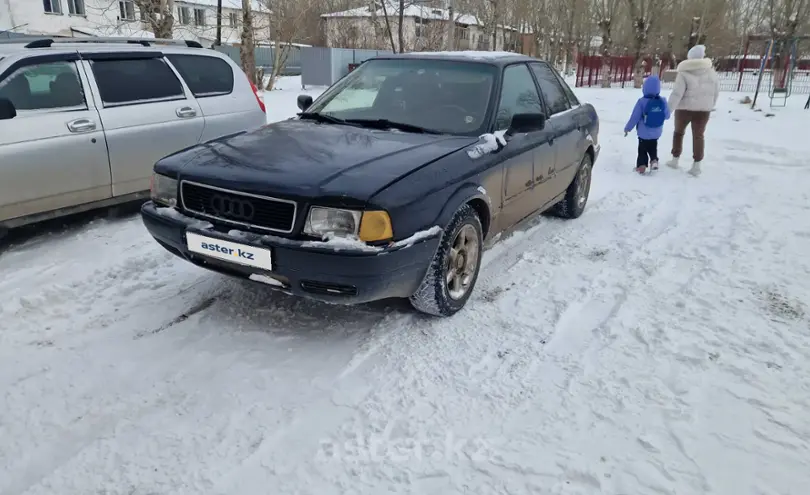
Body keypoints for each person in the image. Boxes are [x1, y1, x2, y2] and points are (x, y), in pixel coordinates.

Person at [664, 44, 720, 177]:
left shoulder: (684, 73)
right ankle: (696, 165)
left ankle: (675, 159)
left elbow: (677, 94)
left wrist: (668, 110)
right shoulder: (711, 72)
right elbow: (716, 92)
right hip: (703, 111)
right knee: (699, 136)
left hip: (684, 109)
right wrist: (710, 105)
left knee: (678, 133)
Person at [624, 74, 670, 174]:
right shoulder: (662, 101)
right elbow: (667, 116)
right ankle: (654, 160)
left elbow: (634, 117)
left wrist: (628, 128)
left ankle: (641, 166)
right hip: (657, 131)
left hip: (643, 133)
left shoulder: (641, 102)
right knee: (653, 147)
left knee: (642, 150)